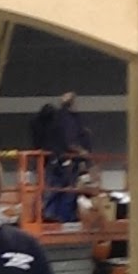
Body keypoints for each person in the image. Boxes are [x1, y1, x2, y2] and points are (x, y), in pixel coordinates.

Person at [44, 90, 92, 221]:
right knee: (68, 189)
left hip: (58, 159)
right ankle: (64, 218)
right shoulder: (68, 120)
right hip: (66, 160)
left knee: (57, 189)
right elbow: (70, 141)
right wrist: (82, 152)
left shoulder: (59, 118)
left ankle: (52, 215)